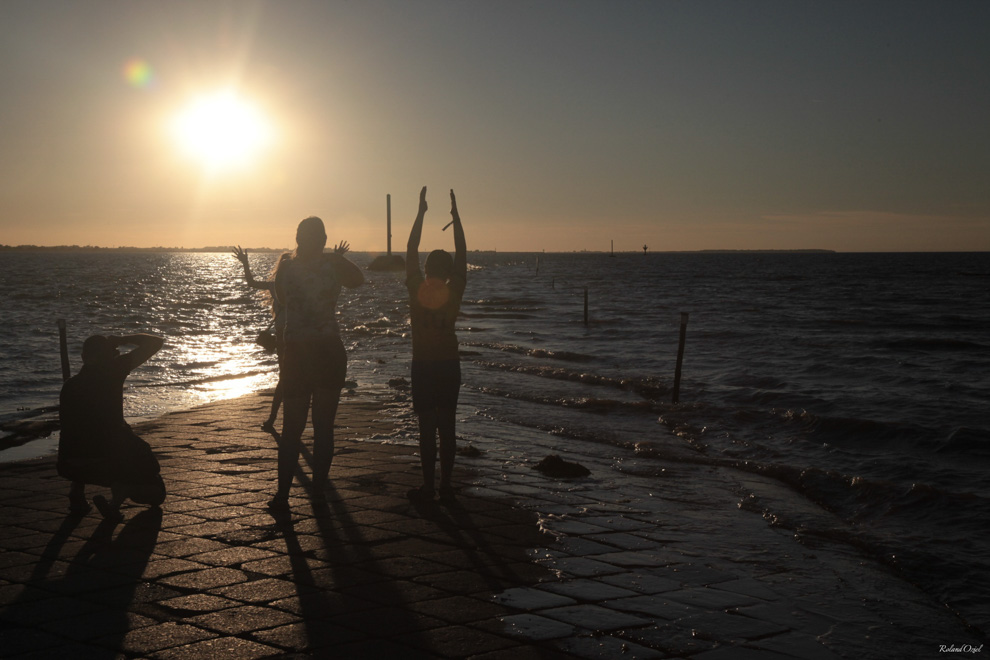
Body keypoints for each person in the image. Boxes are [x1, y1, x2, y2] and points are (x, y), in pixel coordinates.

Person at [270, 217, 364, 509]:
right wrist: (334, 257)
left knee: (291, 428)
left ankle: (283, 495)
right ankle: (319, 491)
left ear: (298, 238)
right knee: (323, 427)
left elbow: (282, 297)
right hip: (326, 349)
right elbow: (358, 280)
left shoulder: (286, 267)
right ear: (323, 239)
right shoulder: (333, 264)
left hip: (298, 350)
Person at [58, 333, 166, 521]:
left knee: (85, 437)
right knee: (147, 474)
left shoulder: (70, 385)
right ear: (112, 356)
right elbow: (156, 342)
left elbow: (71, 431)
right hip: (106, 463)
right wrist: (122, 339)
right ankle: (115, 504)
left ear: (83, 357)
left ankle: (76, 491)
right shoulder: (114, 371)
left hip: (68, 466)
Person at [406, 187, 466, 503]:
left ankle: (430, 487)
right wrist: (456, 220)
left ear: (428, 270)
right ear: (448, 271)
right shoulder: (455, 289)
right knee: (448, 427)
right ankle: (445, 486)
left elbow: (411, 248)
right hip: (449, 365)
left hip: (424, 366)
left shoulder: (417, 287)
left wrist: (421, 212)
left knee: (428, 429)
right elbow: (463, 256)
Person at [233, 246, 291, 433]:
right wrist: (245, 263)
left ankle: (274, 419)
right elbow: (251, 282)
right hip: (288, 334)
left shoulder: (278, 285)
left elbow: (251, 283)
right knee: (288, 378)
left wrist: (246, 263)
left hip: (288, 334)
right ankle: (276, 419)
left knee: (286, 378)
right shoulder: (281, 285)